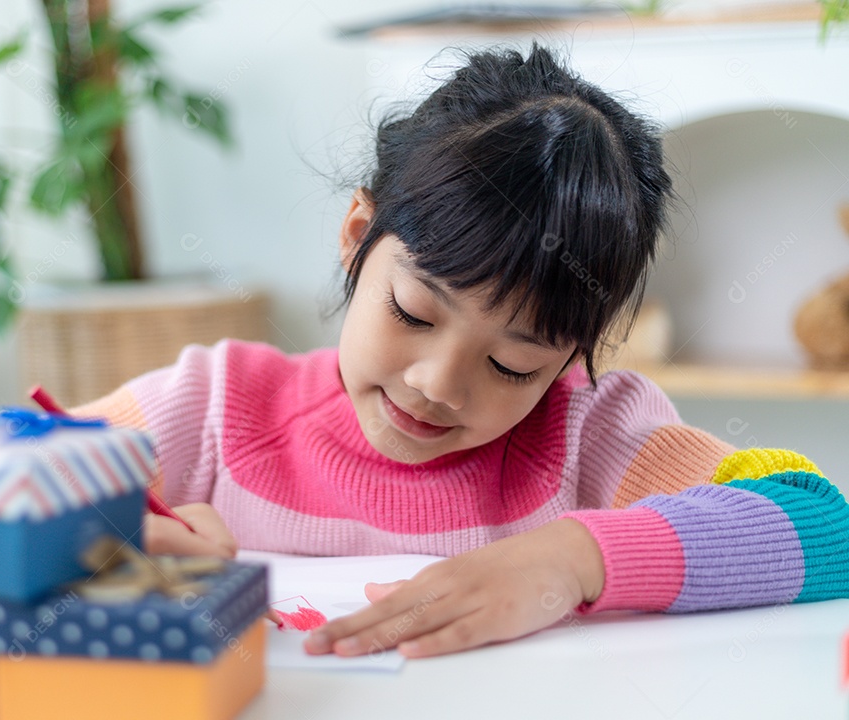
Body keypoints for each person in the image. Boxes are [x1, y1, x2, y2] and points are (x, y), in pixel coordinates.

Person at [74, 44, 849, 659]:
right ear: (355, 239)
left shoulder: (589, 433)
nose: (437, 385)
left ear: (575, 353)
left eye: (514, 365)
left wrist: (571, 559)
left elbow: (826, 525)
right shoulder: (214, 406)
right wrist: (96, 533)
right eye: (414, 313)